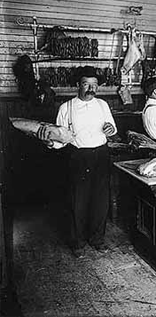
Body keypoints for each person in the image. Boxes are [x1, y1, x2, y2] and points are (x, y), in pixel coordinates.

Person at [38, 66, 117, 258]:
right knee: (77, 201)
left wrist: (110, 129)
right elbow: (59, 139)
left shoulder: (102, 105)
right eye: (86, 85)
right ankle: (78, 242)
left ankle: (97, 239)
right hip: (78, 157)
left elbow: (112, 128)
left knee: (100, 201)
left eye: (94, 85)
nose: (91, 89)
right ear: (77, 85)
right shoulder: (67, 107)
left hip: (101, 155)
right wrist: (50, 142)